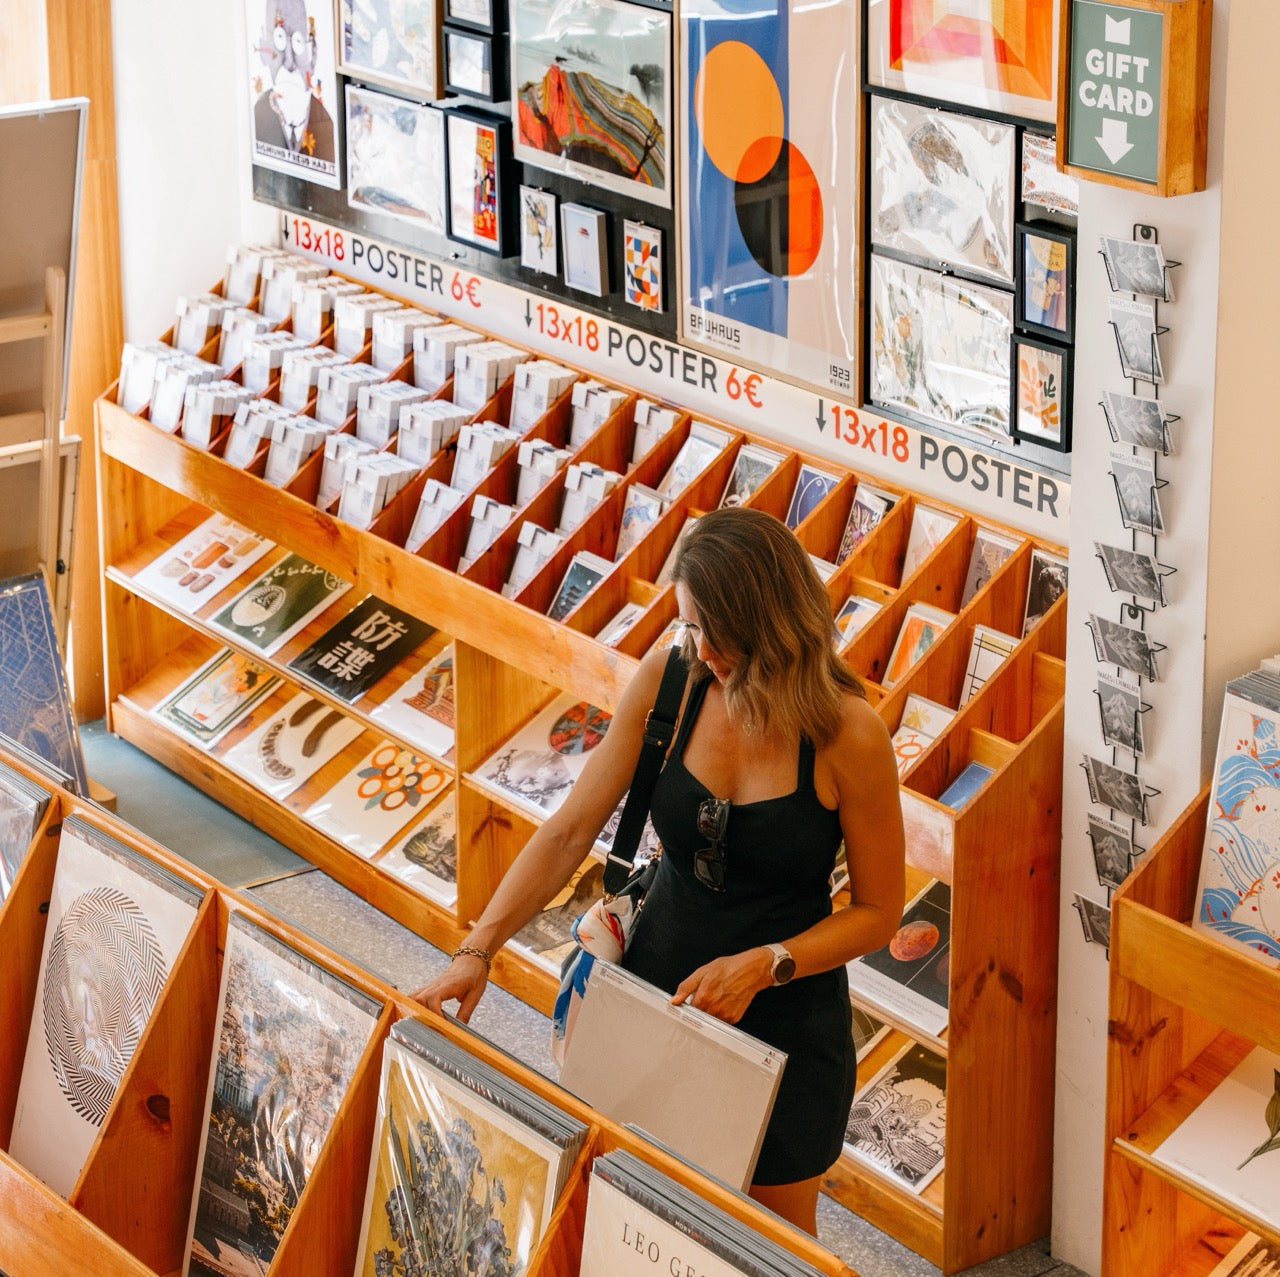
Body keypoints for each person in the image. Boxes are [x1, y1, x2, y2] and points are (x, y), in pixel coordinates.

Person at [415, 506, 906, 1234]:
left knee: (770, 1243)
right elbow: (570, 829)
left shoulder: (848, 734)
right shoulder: (673, 677)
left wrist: (766, 964)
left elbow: (879, 912)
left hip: (788, 1016)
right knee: (624, 1217)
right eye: (690, 626)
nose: (701, 648)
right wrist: (476, 950)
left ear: (771, 625)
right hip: (650, 991)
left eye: (716, 630)